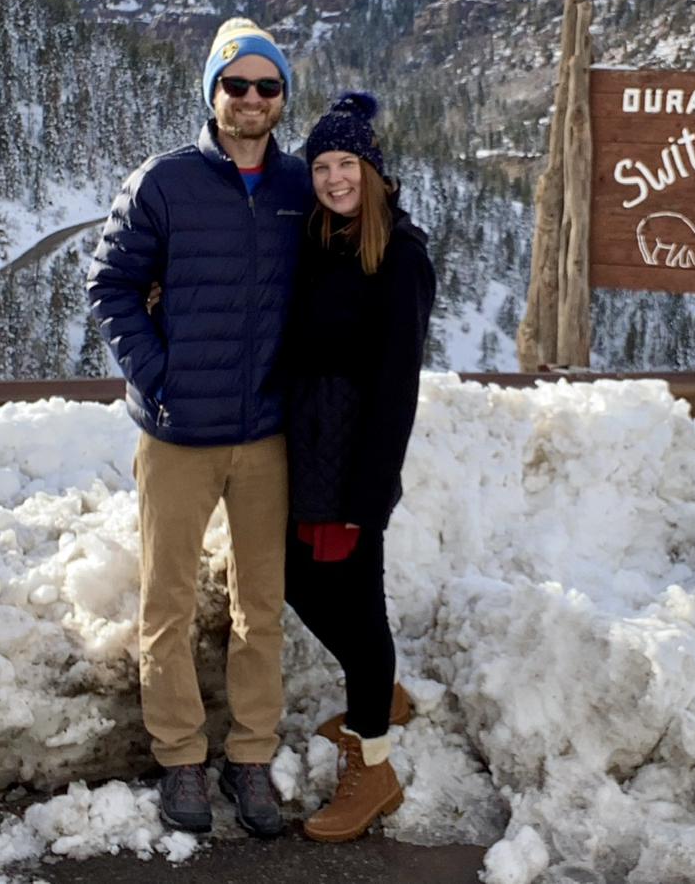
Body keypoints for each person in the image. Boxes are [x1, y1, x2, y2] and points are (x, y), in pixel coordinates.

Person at [85, 18, 312, 839]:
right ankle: (181, 759)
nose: (251, 100)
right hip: (178, 436)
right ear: (212, 94)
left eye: (267, 86)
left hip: (266, 435)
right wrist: (157, 376)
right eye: (236, 84)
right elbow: (111, 284)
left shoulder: (299, 190)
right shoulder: (164, 183)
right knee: (167, 603)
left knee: (262, 605)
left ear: (282, 98)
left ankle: (250, 758)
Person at [280, 91, 437, 843]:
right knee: (296, 577)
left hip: (352, 457)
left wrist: (370, 492)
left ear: (372, 170)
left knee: (357, 599)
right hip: (304, 444)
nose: (334, 178)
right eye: (321, 166)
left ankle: (374, 765)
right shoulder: (321, 238)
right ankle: (381, 690)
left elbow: (397, 383)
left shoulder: (398, 254)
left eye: (347, 164)